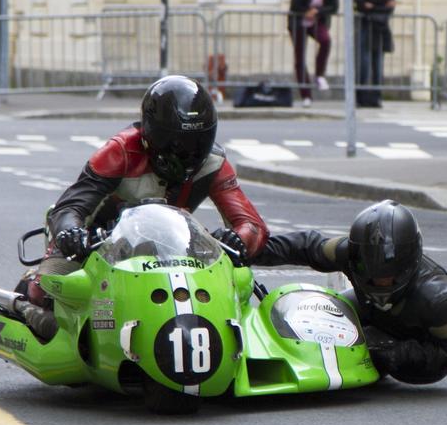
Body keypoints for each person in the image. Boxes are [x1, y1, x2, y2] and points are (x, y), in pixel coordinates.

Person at [16, 75, 270, 339]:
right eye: (178, 144)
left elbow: (251, 224)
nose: (189, 154)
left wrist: (239, 239)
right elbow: (70, 206)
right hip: (94, 241)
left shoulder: (213, 162)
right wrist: (70, 233)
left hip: (169, 243)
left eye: (198, 144)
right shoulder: (121, 151)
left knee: (234, 276)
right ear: (152, 134)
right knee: (41, 291)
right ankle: (29, 293)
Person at [252, 200, 447, 384]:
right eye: (368, 272)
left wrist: (395, 350)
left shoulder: (437, 298)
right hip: (371, 312)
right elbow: (307, 246)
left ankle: (369, 352)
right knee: (317, 308)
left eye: (386, 275)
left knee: (370, 339)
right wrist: (248, 248)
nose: (378, 281)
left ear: (408, 262)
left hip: (415, 346)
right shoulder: (350, 253)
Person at [288, 0, 340, 108]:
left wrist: (317, 11)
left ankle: (319, 75)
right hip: (298, 22)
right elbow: (295, 5)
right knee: (300, 58)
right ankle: (306, 95)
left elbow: (334, 7)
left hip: (317, 21)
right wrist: (306, 11)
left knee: (325, 40)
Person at [355, 0, 396, 108]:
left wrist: (373, 8)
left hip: (381, 30)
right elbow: (360, 5)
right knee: (364, 65)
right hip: (367, 29)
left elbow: (390, 8)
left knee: (378, 65)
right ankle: (360, 97)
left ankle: (376, 97)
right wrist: (381, 7)